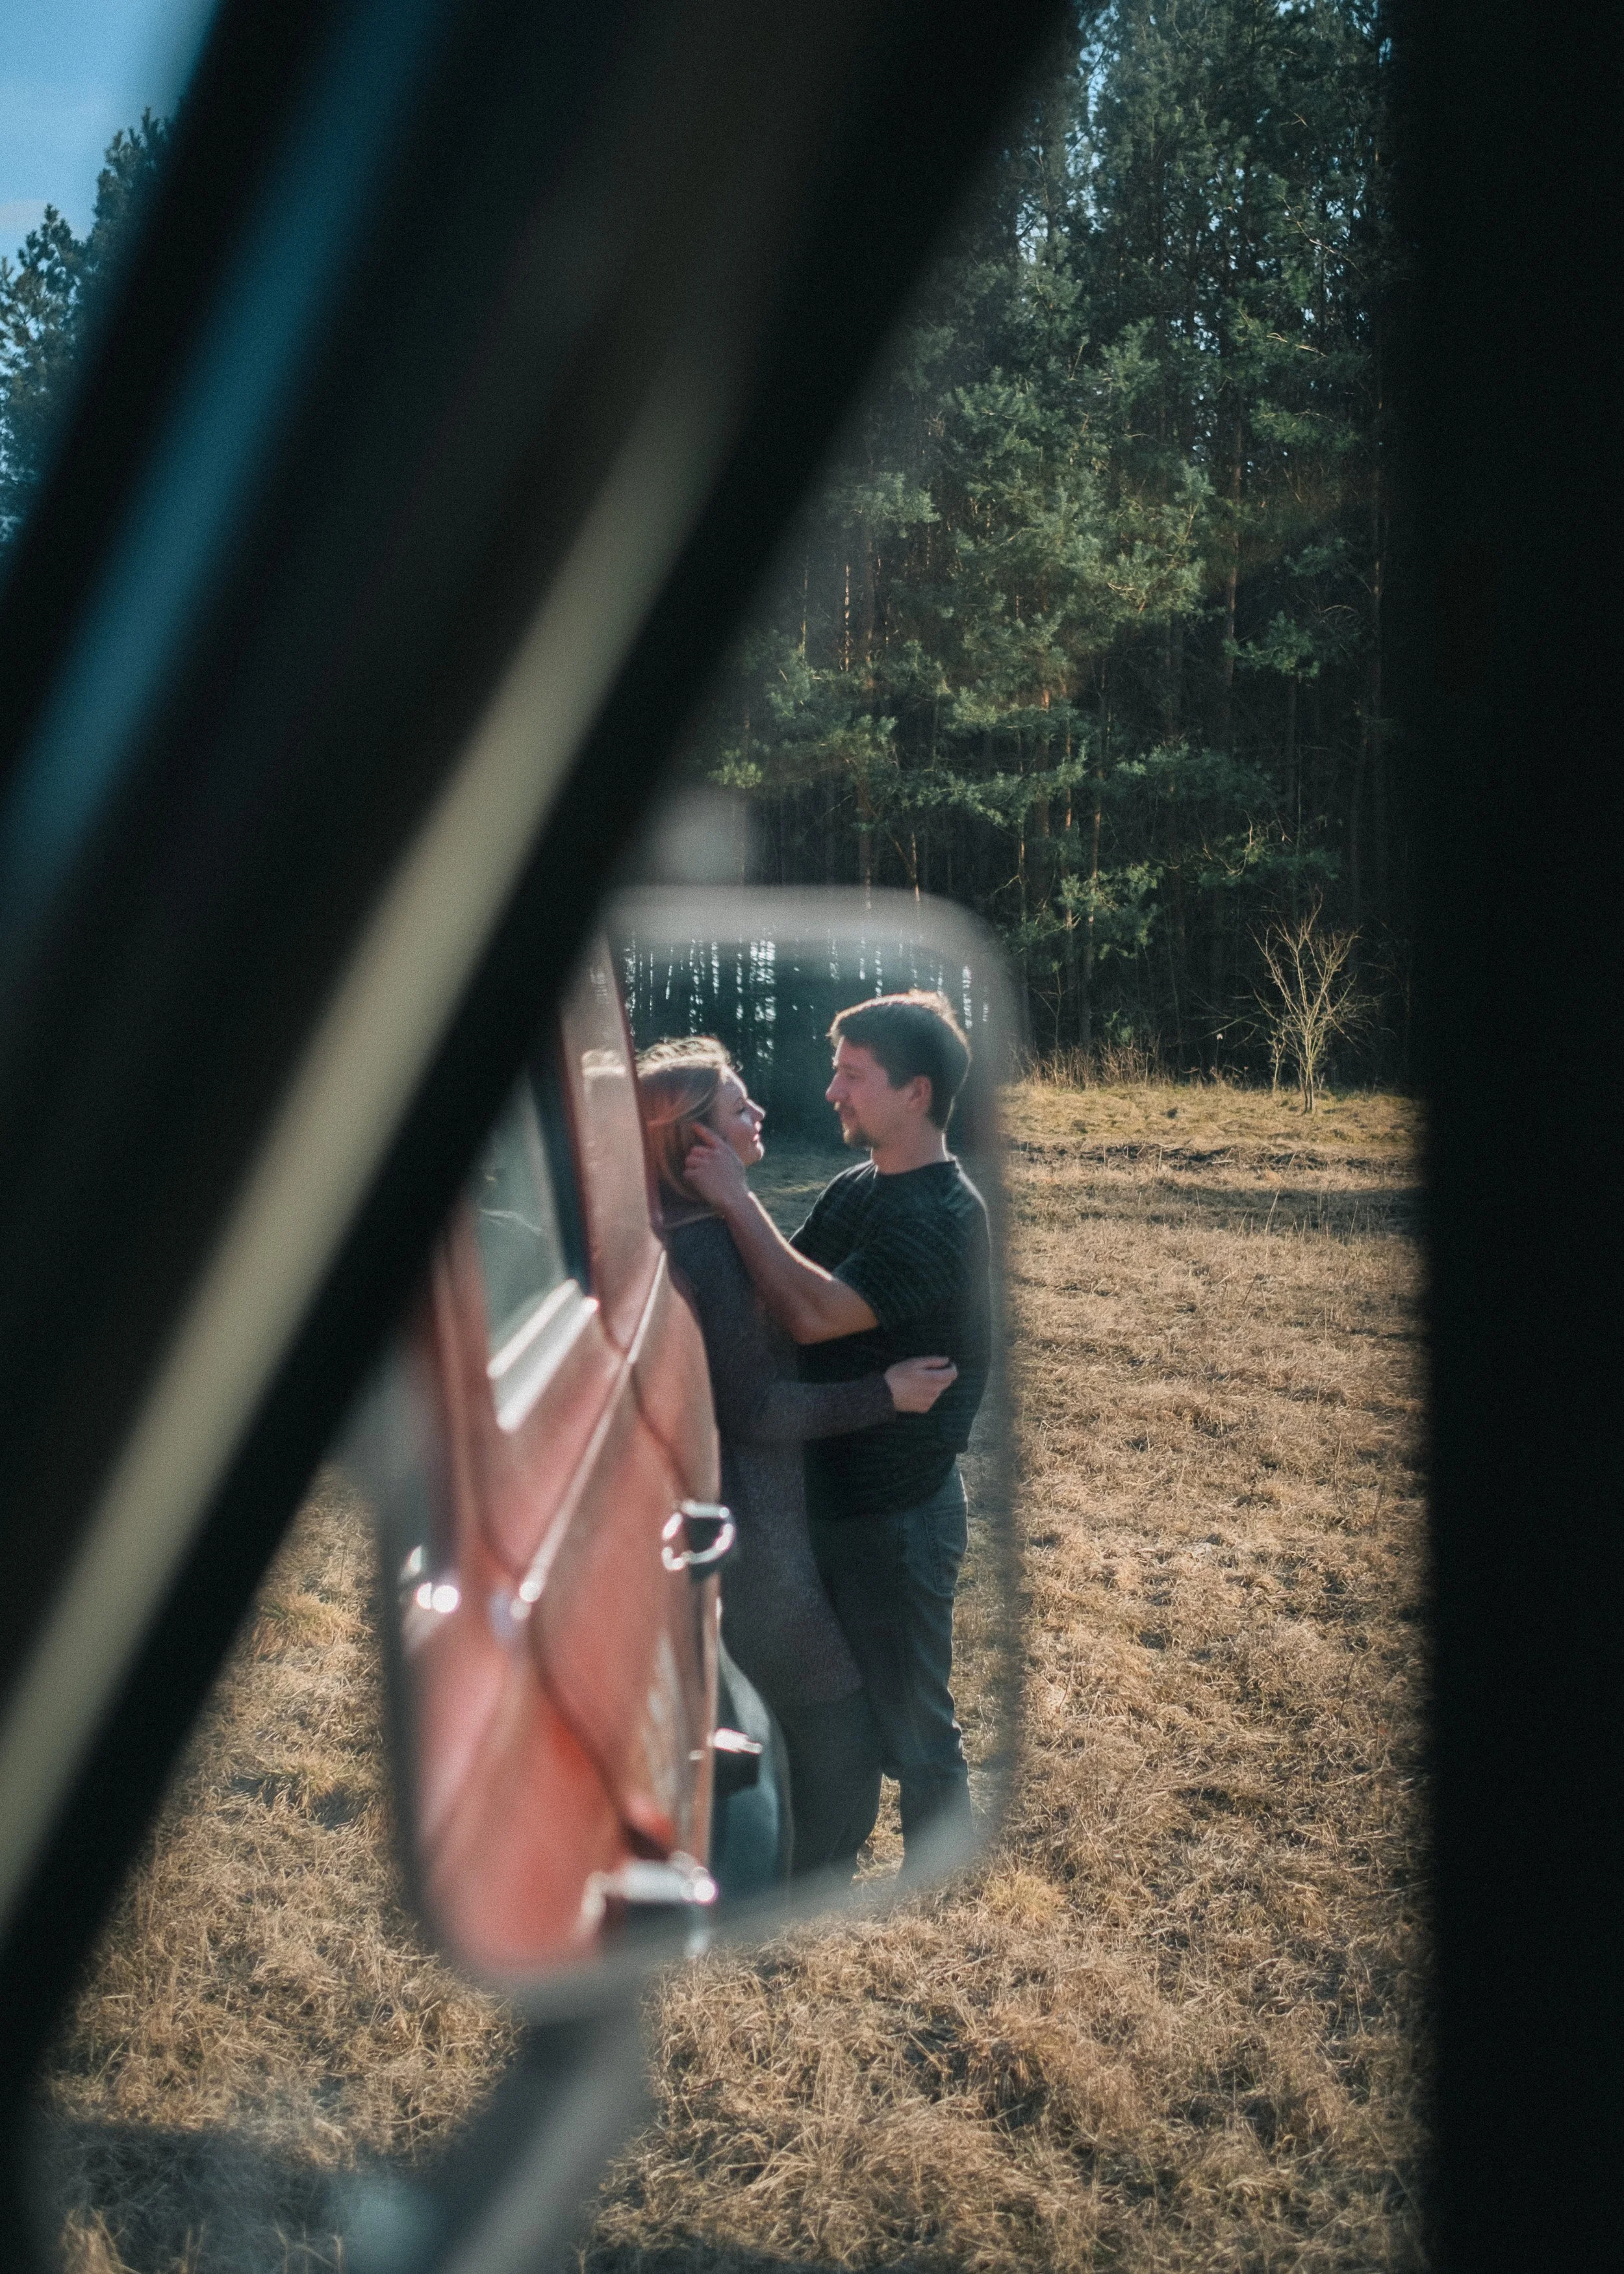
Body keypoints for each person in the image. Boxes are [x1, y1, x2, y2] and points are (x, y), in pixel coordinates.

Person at [683, 990, 991, 1877]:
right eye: (836, 1073)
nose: (831, 1094)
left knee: (915, 1722)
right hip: (834, 1503)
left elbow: (814, 1314)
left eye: (853, 1076)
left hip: (898, 1517)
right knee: (847, 1706)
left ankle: (939, 1889)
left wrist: (736, 1202)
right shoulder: (860, 1188)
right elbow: (778, 1309)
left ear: (916, 1093)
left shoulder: (941, 1217)